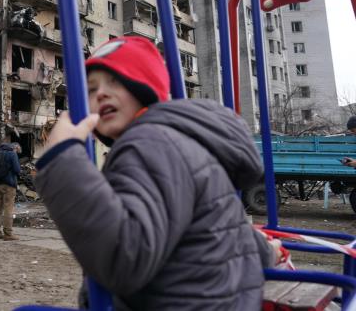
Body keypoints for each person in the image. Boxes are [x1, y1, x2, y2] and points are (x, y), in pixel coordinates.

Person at [34, 36, 275, 310]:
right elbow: (217, 231)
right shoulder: (180, 141)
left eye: (115, 81)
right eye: (91, 89)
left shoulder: (150, 143)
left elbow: (125, 256)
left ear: (145, 87)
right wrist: (266, 250)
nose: (100, 94)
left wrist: (62, 158)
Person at [0, 141, 22, 241]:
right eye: (17, 151)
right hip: (9, 185)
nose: (16, 153)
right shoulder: (12, 154)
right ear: (15, 148)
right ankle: (8, 234)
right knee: (8, 208)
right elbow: (17, 170)